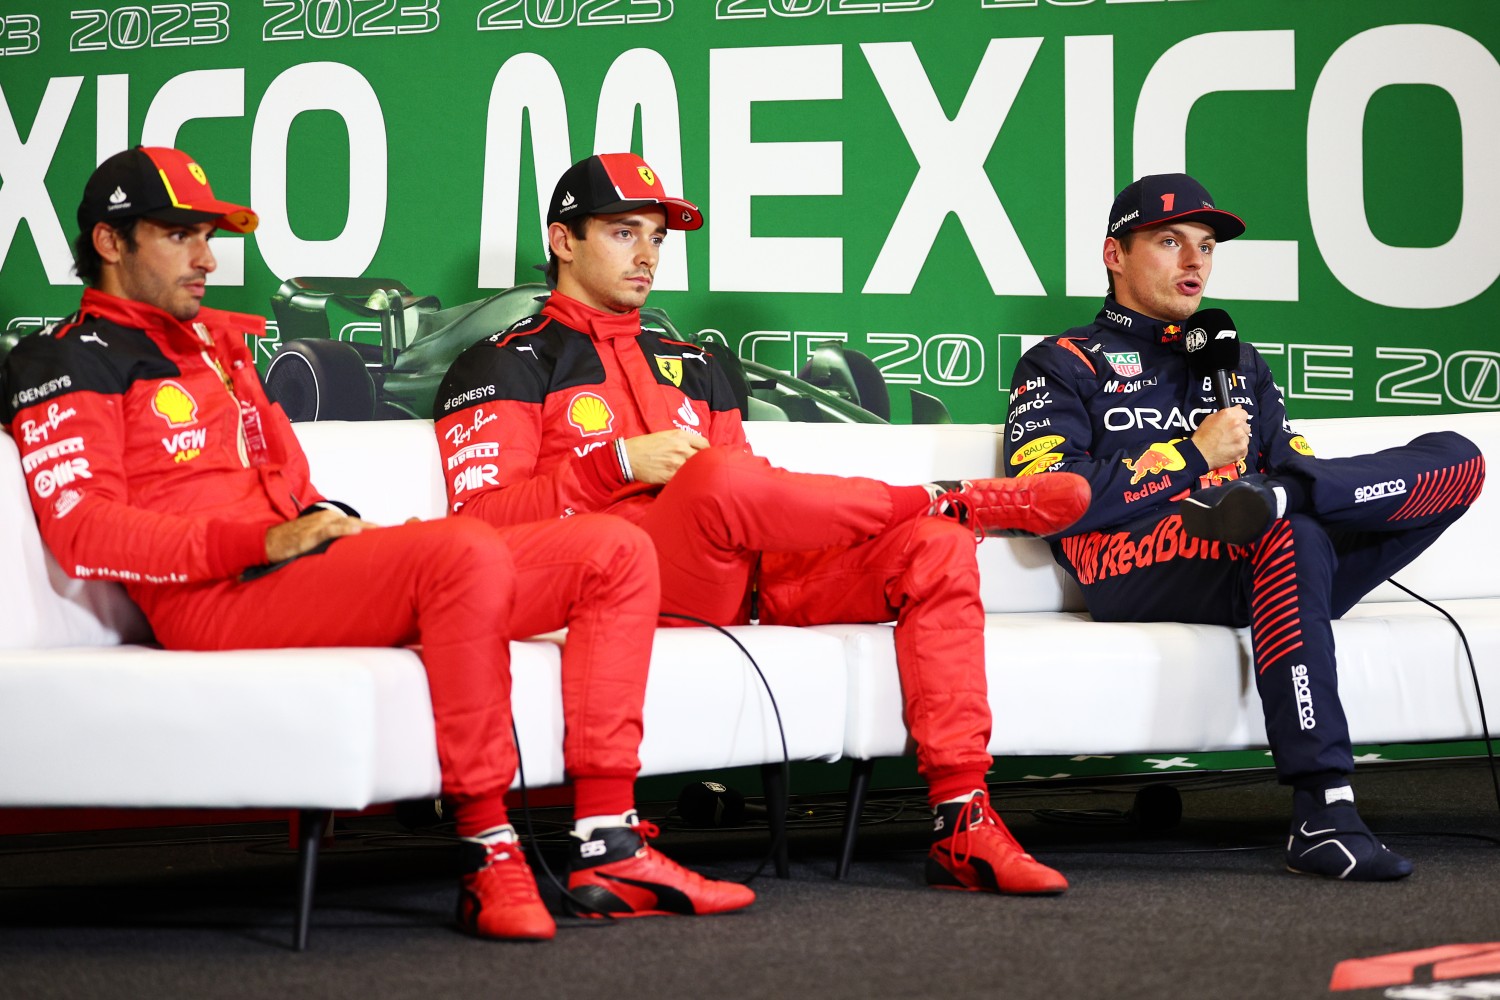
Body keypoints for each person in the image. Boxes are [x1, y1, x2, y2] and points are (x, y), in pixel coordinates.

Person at [0, 146, 754, 941]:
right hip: (213, 599)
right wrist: (262, 537)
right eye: (179, 235)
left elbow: (291, 483)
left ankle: (608, 844)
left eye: (208, 234)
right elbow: (84, 530)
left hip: (294, 571)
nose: (208, 257)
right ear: (111, 244)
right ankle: (487, 852)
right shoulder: (59, 359)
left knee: (611, 552)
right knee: (462, 553)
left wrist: (328, 522)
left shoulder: (220, 351)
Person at [434, 151, 1094, 896]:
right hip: (631, 584)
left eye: (657, 236)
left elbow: (749, 498)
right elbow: (482, 525)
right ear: (563, 240)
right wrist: (614, 464)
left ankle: (961, 818)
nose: (648, 254)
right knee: (715, 477)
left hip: (748, 576)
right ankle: (939, 493)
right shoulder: (505, 362)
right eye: (624, 232)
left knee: (934, 550)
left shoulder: (697, 362)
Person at [1005, 172, 1485, 881]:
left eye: (1205, 246)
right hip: (1133, 560)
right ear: (1115, 254)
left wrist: (1290, 485)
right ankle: (1324, 809)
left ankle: (1280, 503)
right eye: (1170, 242)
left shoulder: (1238, 363)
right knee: (1290, 531)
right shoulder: (1063, 362)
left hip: (1270, 552)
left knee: (1460, 459)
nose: (1195, 261)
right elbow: (1047, 497)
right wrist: (1192, 454)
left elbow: (1292, 454)